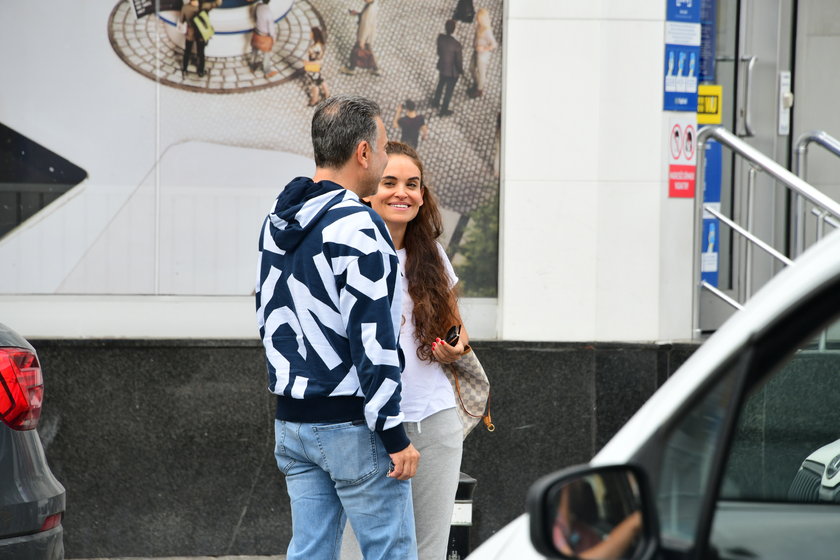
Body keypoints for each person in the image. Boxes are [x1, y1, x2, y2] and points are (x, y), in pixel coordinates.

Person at [255, 95, 420, 560]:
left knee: (310, 552)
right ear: (363, 152)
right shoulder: (359, 226)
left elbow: (268, 316)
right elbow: (373, 339)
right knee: (391, 553)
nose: (385, 158)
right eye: (383, 148)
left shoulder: (278, 219)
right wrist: (394, 435)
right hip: (352, 425)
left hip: (292, 422)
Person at [341, 141, 470, 560]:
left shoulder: (430, 256)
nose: (402, 193)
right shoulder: (347, 250)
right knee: (359, 549)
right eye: (390, 182)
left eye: (412, 184)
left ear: (422, 195)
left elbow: (457, 331)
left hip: (434, 419)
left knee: (428, 549)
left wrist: (452, 347)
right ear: (368, 192)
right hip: (365, 424)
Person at [179, 0, 221, 78]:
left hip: (190, 33)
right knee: (201, 53)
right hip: (201, 33)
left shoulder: (185, 8)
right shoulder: (204, 5)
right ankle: (201, 71)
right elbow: (217, 3)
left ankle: (184, 69)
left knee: (187, 51)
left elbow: (181, 20)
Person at [432, 19, 463, 117]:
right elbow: (458, 61)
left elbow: (439, 52)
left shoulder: (440, 38)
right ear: (454, 30)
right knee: (448, 92)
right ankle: (443, 110)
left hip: (442, 67)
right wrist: (461, 70)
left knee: (440, 84)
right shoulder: (457, 45)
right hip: (452, 72)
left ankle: (436, 102)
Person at [340, 0, 380, 76]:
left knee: (357, 51)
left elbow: (366, 25)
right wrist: (358, 14)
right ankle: (375, 69)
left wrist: (362, 40)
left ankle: (351, 69)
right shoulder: (372, 4)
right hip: (368, 35)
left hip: (365, 35)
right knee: (367, 50)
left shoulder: (370, 10)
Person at [467, 8, 498, 98]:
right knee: (471, 68)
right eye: (477, 18)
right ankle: (477, 83)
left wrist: (484, 48)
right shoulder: (479, 26)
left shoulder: (487, 31)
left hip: (482, 55)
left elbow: (494, 44)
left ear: (483, 19)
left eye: (479, 18)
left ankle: (479, 90)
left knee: (481, 73)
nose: (477, 19)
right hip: (476, 51)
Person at [250, 0, 278, 78]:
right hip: (265, 36)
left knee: (254, 50)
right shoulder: (269, 13)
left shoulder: (258, 6)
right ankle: (267, 72)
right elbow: (271, 29)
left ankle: (252, 66)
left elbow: (254, 16)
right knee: (266, 54)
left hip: (257, 32)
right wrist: (274, 38)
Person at [303, 27, 329, 106]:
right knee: (320, 79)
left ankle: (315, 99)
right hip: (316, 67)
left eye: (311, 33)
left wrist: (307, 63)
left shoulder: (316, 47)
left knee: (314, 84)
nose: (310, 34)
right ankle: (327, 94)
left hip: (314, 68)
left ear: (314, 34)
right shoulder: (319, 44)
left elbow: (317, 61)